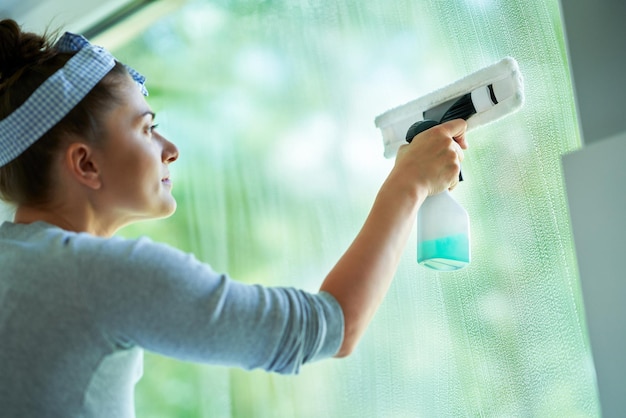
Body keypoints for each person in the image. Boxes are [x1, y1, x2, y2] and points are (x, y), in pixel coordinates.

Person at [0, 18, 467, 417]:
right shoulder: (99, 275)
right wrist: (409, 183)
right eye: (147, 128)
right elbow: (328, 327)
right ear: (85, 164)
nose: (171, 150)